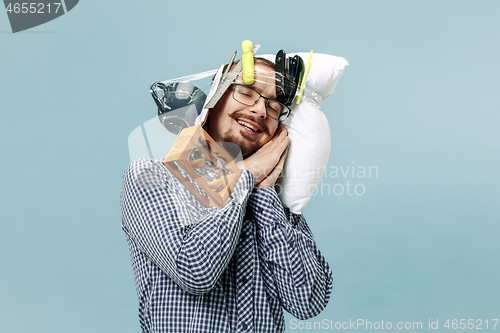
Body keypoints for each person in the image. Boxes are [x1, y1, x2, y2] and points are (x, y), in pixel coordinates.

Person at [120, 57, 333, 333]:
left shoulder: (275, 205)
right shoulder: (150, 177)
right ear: (214, 99)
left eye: (275, 106)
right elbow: (196, 270)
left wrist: (264, 191)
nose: (260, 111)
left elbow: (308, 302)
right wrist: (245, 177)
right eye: (245, 92)